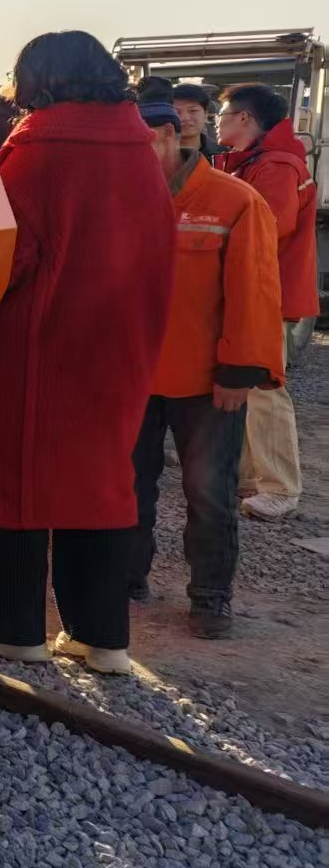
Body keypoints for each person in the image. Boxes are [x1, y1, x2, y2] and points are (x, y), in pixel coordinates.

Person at [0, 31, 174, 676]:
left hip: (37, 346)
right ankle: (101, 638)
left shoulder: (37, 152)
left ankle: (9, 630)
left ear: (39, 80)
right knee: (103, 483)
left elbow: (3, 258)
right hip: (122, 344)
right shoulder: (138, 148)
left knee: (12, 481)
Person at [130, 97, 282, 638]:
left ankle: (211, 597)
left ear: (170, 134)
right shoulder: (124, 202)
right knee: (128, 486)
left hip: (206, 383)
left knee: (210, 492)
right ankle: (128, 578)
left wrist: (241, 371)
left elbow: (256, 290)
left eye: (136, 141)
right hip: (135, 379)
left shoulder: (234, 201)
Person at [215, 83, 319, 520]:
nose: (216, 122)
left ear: (244, 119)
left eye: (222, 114)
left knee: (263, 386)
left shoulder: (275, 167)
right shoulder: (252, 162)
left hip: (265, 294)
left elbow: (265, 230)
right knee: (241, 387)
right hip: (255, 291)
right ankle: (247, 477)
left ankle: (279, 486)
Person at [171, 82, 222, 157]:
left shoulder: (224, 156)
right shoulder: (155, 156)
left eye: (193, 111)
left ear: (205, 114)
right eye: (176, 112)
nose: (185, 118)